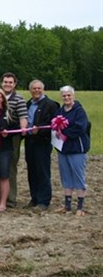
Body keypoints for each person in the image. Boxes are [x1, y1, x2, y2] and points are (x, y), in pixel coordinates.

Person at [53, 86, 90, 217]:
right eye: (64, 96)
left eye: (69, 95)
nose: (66, 98)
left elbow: (80, 127)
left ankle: (80, 207)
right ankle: (67, 205)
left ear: (73, 96)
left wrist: (64, 134)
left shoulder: (79, 111)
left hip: (77, 149)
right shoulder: (60, 111)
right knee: (66, 177)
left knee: (78, 176)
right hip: (63, 149)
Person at [24, 80, 59, 210]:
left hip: (42, 142)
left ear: (43, 89)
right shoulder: (28, 104)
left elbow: (54, 124)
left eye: (39, 88)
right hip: (30, 141)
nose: (36, 91)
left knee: (42, 170)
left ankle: (44, 200)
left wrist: (40, 130)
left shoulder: (51, 105)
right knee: (31, 170)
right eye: (34, 88)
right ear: (30, 90)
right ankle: (34, 198)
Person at [0, 73, 28, 208]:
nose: (7, 84)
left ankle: (10, 199)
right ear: (2, 83)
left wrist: (23, 128)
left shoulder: (19, 99)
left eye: (10, 82)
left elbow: (23, 116)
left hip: (13, 136)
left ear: (14, 84)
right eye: (5, 82)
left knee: (10, 166)